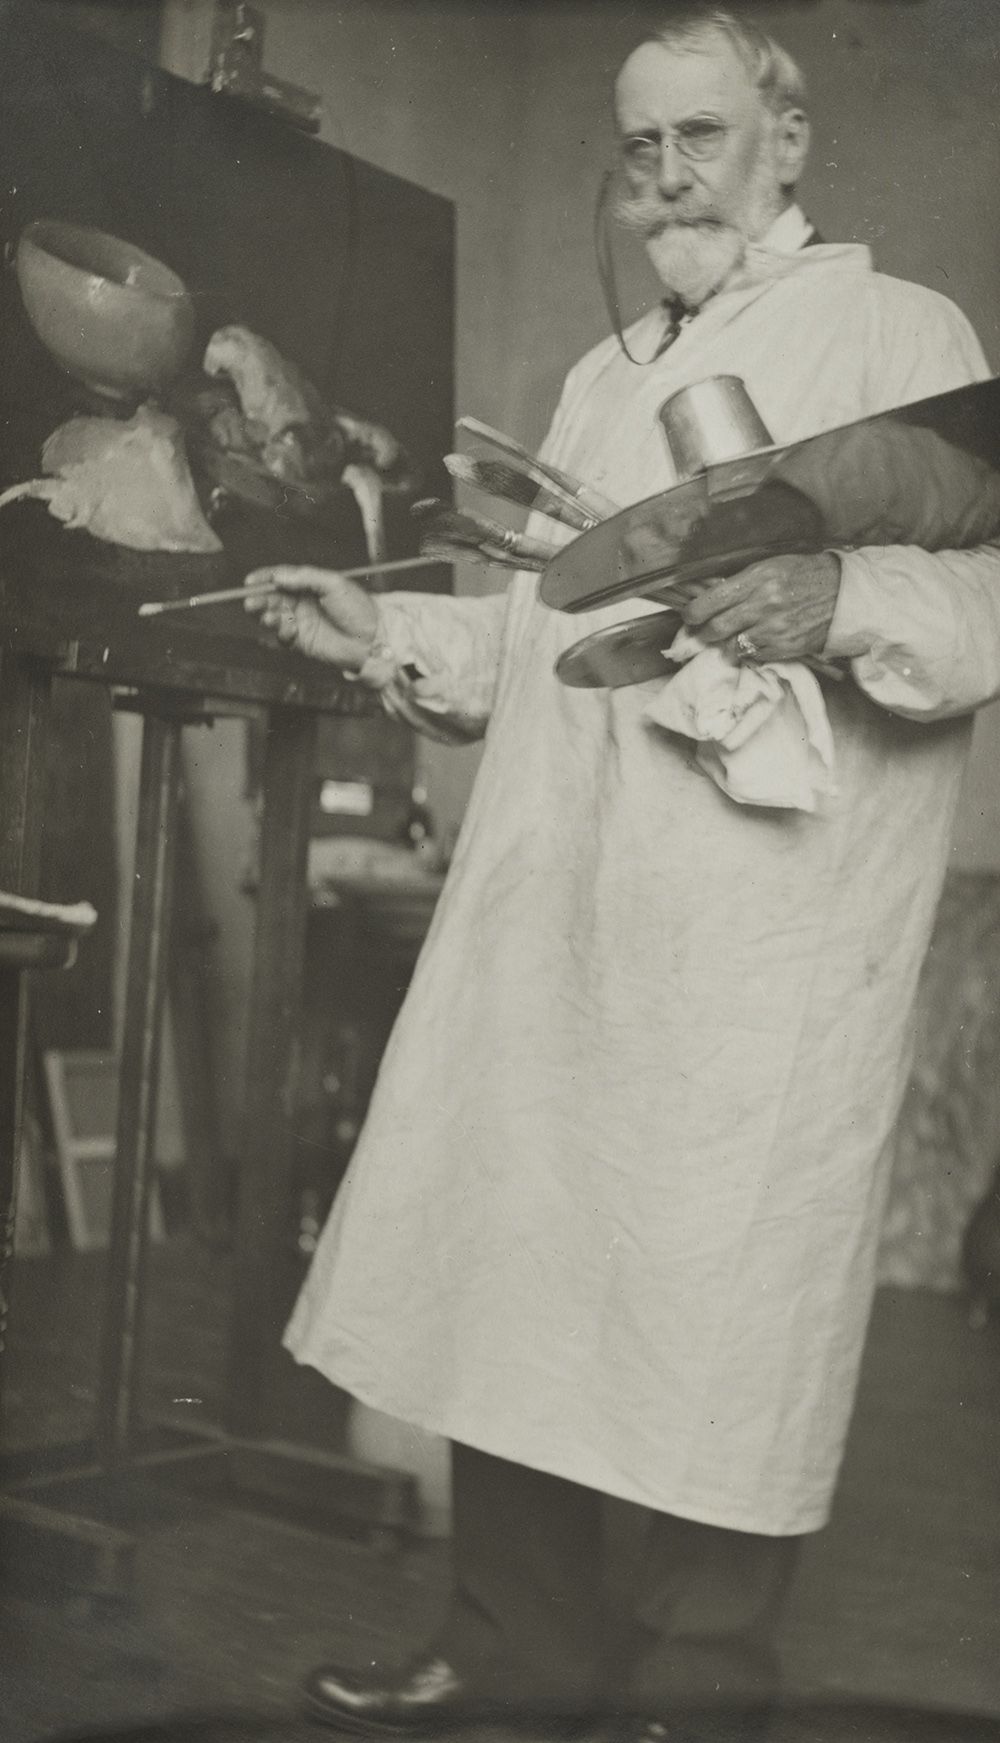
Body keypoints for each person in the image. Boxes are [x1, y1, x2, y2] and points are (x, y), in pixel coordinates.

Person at [244, 10, 1000, 1741]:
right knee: (525, 1258)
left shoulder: (901, 333)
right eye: (639, 144)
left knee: (707, 1301)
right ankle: (518, 1653)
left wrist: (841, 600)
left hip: (758, 940)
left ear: (787, 143)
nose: (666, 177)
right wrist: (395, 626)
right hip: (562, 911)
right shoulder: (606, 375)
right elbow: (546, 633)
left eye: (704, 137)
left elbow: (982, 607)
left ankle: (691, 1693)